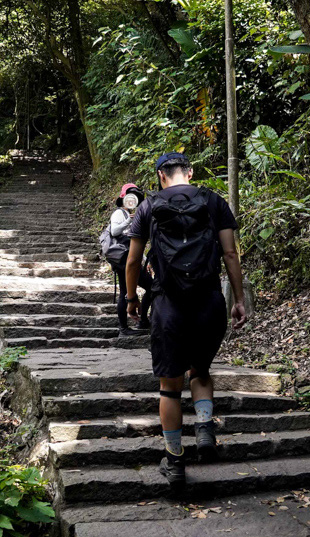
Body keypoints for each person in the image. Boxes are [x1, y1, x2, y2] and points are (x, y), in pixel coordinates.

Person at [124, 153, 248, 488]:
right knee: (201, 370)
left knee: (169, 387)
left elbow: (133, 259)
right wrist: (238, 299)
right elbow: (230, 253)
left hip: (168, 306)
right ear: (189, 173)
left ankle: (175, 460)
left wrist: (132, 299)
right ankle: (205, 427)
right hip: (209, 302)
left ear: (160, 175)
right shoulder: (213, 201)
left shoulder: (148, 206)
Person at [107, 184, 153, 335]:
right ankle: (134, 324)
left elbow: (133, 242)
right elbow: (114, 231)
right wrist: (129, 221)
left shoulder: (127, 215)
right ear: (123, 198)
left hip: (128, 259)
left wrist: (145, 259)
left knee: (130, 291)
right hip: (124, 261)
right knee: (151, 287)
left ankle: (135, 324)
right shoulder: (119, 214)